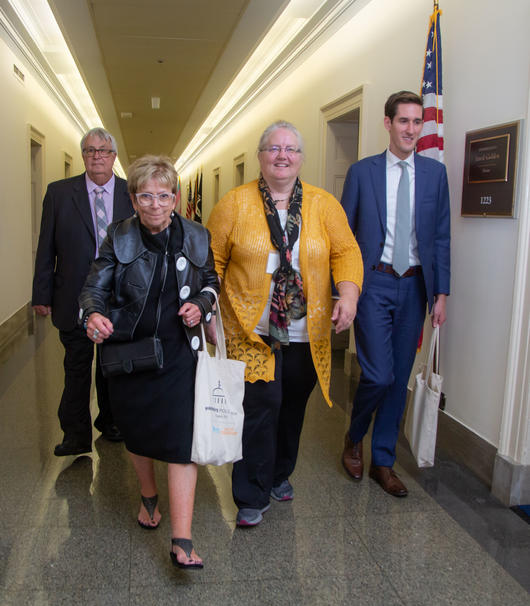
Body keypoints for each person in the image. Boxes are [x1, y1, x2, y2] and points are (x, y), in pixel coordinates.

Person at [207, 121, 363, 527]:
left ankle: (279, 474)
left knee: (292, 406)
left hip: (305, 333)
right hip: (250, 331)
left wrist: (348, 295)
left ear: (301, 158)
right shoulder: (235, 203)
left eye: (291, 149)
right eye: (273, 148)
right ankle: (250, 493)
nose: (282, 156)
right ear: (260, 157)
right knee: (261, 407)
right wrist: (209, 313)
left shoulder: (323, 205)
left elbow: (346, 252)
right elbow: (213, 262)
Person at [79, 154, 219, 569]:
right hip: (130, 352)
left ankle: (183, 539)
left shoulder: (196, 234)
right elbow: (94, 287)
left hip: (179, 353)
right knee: (137, 435)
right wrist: (92, 315)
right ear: (133, 198)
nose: (155, 204)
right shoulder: (117, 235)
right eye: (145, 196)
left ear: (176, 198)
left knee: (181, 443)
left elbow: (211, 282)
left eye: (163, 195)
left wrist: (200, 303)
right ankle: (148, 495)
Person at [340, 91, 450, 497]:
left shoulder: (435, 175)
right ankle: (354, 437)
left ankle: (382, 462)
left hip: (416, 286)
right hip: (374, 283)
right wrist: (344, 290)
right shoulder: (362, 172)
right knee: (378, 373)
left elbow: (440, 237)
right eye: (403, 121)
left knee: (399, 376)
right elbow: (345, 237)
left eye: (417, 122)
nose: (410, 129)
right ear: (388, 123)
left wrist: (441, 293)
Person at [32, 127, 134, 456]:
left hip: (118, 297)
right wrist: (41, 294)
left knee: (112, 365)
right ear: (83, 156)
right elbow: (46, 246)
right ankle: (75, 434)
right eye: (90, 151)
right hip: (72, 295)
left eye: (104, 151)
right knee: (76, 367)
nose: (97, 157)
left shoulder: (130, 193)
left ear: (114, 157)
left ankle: (111, 421)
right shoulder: (60, 193)